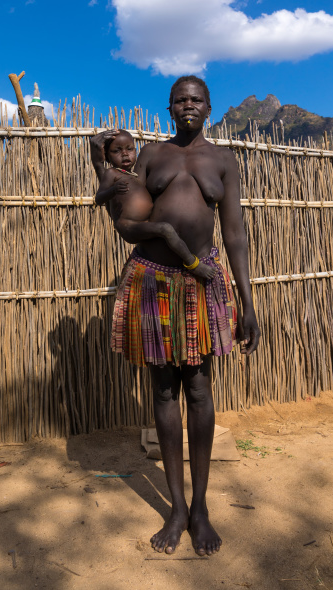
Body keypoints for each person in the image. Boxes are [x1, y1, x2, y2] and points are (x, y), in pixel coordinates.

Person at [90, 76, 260, 556]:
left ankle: (201, 507)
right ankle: (177, 508)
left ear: (209, 107)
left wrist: (248, 302)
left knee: (200, 388)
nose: (188, 105)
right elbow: (126, 203)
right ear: (169, 107)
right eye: (180, 99)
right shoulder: (149, 156)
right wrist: (101, 168)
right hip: (151, 278)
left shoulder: (223, 161)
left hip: (201, 279)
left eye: (196, 99)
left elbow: (235, 234)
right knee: (162, 388)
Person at [94, 130, 216, 280]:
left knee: (165, 230)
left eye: (129, 149)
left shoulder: (135, 176)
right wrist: (112, 191)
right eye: (116, 151)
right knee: (165, 229)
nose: (125, 154)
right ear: (107, 155)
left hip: (141, 222)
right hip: (128, 224)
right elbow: (98, 199)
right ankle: (192, 264)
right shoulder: (112, 174)